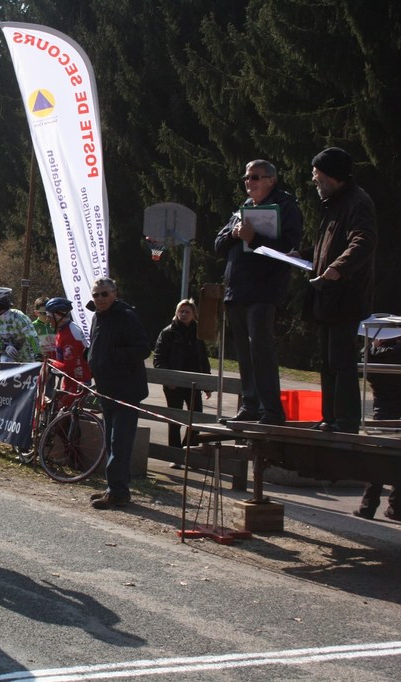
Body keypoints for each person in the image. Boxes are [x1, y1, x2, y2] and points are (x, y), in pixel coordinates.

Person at [214, 159, 303, 425]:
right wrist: (234, 234)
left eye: (254, 177)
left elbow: (288, 245)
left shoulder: (286, 206)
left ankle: (271, 410)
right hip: (237, 288)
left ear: (271, 180)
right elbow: (218, 244)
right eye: (246, 177)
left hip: (264, 287)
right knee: (243, 350)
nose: (248, 182)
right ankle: (250, 405)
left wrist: (254, 238)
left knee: (260, 348)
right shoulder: (242, 209)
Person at [295, 147, 377, 434]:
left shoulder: (357, 202)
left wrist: (338, 268)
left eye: (317, 174)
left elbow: (363, 241)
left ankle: (346, 420)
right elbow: (327, 247)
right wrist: (302, 255)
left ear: (332, 175)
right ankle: (330, 418)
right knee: (328, 362)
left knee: (341, 361)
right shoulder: (334, 203)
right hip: (328, 296)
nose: (314, 179)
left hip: (345, 296)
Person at [87, 278, 150, 509]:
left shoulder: (126, 316)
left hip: (126, 391)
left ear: (115, 293)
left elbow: (143, 348)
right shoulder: (97, 317)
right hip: (106, 390)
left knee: (120, 442)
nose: (100, 299)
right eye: (96, 295)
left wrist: (113, 356)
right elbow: (96, 347)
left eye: (104, 294)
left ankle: (118, 492)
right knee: (110, 442)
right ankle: (115, 487)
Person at [153, 299, 213, 458]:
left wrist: (208, 385)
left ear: (194, 315)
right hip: (174, 383)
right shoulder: (168, 333)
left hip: (194, 382)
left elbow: (203, 360)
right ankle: (174, 454)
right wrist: (168, 379)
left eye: (187, 311)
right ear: (176, 313)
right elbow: (158, 358)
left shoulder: (198, 334)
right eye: (181, 311)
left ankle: (187, 452)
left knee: (197, 417)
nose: (184, 314)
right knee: (175, 419)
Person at [43, 297, 91, 410]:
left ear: (58, 316)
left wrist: (49, 363)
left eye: (49, 317)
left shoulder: (70, 334)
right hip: (71, 380)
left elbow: (68, 367)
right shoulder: (64, 329)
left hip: (77, 382)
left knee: (60, 414)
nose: (47, 320)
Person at [0, 287, 41, 363]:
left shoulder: (18, 316)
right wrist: (5, 347)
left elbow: (32, 337)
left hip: (27, 360)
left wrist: (38, 356)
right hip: (9, 360)